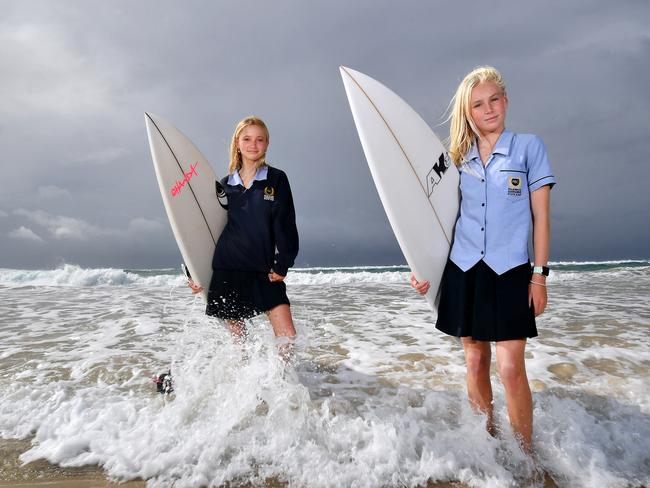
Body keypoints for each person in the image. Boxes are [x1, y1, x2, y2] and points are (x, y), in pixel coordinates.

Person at [410, 66, 555, 452]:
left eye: (494, 100)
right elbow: (437, 221)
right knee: (475, 362)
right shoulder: (455, 159)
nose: (488, 109)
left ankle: (525, 453)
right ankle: (487, 447)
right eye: (478, 104)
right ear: (468, 112)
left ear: (505, 101)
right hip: (465, 269)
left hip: (510, 271)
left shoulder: (528, 147)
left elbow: (541, 218)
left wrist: (539, 275)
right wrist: (421, 268)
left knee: (510, 368)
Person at [189, 116, 299, 355]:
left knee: (287, 337)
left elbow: (286, 224)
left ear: (267, 144)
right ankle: (245, 390)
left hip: (264, 271)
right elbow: (202, 228)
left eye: (260, 139)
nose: (253, 144)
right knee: (241, 345)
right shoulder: (225, 185)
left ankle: (282, 387)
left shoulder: (276, 179)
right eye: (247, 138)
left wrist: (283, 264)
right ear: (237, 143)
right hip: (228, 269)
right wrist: (194, 272)